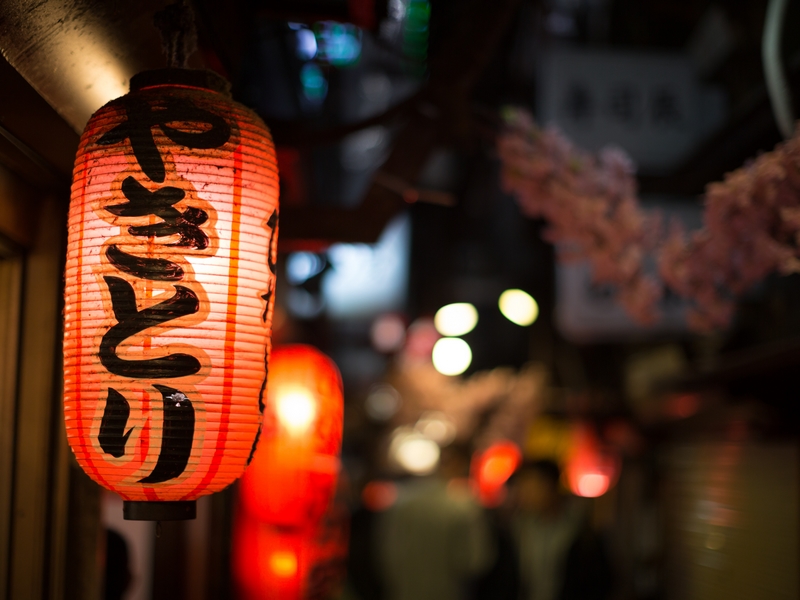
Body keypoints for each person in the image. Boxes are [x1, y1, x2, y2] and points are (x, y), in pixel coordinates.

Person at [376, 445, 495, 600]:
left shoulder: (403, 503)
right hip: (448, 593)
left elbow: (386, 554)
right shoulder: (464, 506)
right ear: (460, 464)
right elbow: (474, 562)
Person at [510, 460, 612, 600]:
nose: (524, 494)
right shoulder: (520, 527)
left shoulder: (579, 529)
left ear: (550, 486)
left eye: (531, 486)